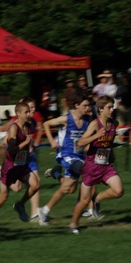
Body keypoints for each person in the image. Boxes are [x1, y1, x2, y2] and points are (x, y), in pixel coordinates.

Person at [69, 96, 124, 234]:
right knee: (83, 201)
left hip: (106, 166)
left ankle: (97, 199)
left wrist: (111, 154)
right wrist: (96, 136)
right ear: (100, 109)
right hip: (91, 167)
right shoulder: (95, 124)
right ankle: (73, 224)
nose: (112, 110)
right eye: (109, 107)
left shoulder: (114, 123)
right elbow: (80, 143)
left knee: (119, 191)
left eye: (112, 107)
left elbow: (109, 142)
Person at [0, 102, 40, 231]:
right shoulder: (14, 128)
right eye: (26, 112)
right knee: (3, 197)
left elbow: (26, 145)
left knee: (36, 185)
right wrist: (25, 142)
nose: (29, 114)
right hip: (10, 166)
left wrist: (30, 147)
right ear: (18, 113)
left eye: (29, 111)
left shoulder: (30, 126)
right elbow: (13, 150)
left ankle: (20, 205)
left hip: (22, 165)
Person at [38, 95, 92, 223]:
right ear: (77, 105)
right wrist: (51, 140)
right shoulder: (67, 119)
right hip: (67, 155)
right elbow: (46, 124)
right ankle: (82, 206)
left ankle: (44, 210)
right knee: (86, 170)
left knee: (68, 188)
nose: (87, 108)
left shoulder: (87, 122)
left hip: (79, 156)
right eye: (85, 105)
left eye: (88, 105)